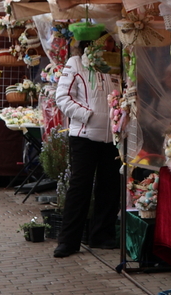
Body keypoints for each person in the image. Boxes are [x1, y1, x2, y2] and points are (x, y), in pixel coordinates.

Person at [52, 23, 121, 258]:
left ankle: (102, 235)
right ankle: (68, 241)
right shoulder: (76, 63)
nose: (111, 45)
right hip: (84, 136)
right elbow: (62, 97)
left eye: (112, 41)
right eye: (107, 41)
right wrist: (87, 115)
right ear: (94, 43)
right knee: (79, 188)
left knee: (109, 186)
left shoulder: (115, 65)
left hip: (112, 137)